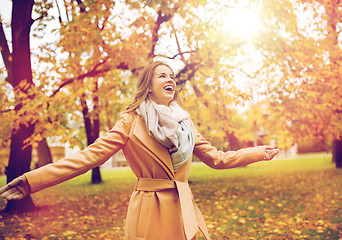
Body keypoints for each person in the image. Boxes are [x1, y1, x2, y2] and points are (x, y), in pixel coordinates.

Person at [0, 61, 279, 240]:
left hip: (184, 210)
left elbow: (218, 159)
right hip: (150, 211)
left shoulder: (186, 123)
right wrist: (31, 181)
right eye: (162, 75)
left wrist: (258, 153)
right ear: (149, 85)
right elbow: (88, 157)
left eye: (172, 76)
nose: (170, 79)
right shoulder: (131, 122)